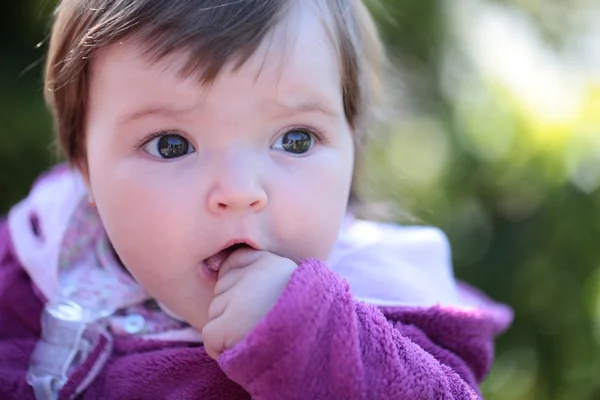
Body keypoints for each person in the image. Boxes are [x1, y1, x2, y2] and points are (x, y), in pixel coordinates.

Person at [0, 0, 513, 399]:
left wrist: (307, 334)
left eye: (295, 139)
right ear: (85, 168)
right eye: (171, 145)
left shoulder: (392, 303)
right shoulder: (39, 260)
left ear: (352, 148)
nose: (241, 192)